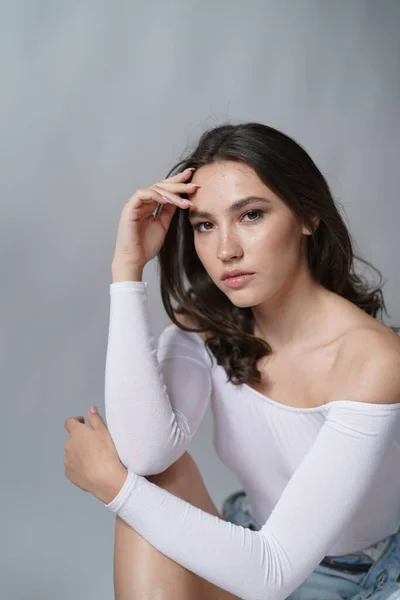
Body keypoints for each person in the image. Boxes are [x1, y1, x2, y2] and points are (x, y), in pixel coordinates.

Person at [64, 122, 400, 600]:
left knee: (137, 496)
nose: (226, 251)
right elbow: (144, 454)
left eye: (251, 215)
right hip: (251, 547)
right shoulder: (208, 321)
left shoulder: (373, 360)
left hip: (359, 579)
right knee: (152, 479)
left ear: (309, 216)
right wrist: (126, 271)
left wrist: (111, 485)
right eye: (205, 225)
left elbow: (274, 573)